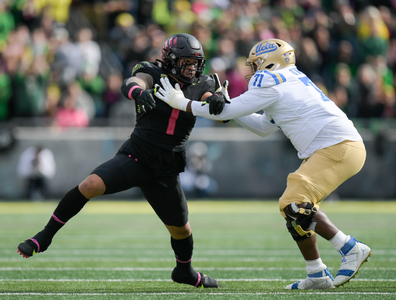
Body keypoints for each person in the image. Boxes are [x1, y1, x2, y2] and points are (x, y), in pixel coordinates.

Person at [155, 38, 372, 290]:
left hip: (337, 146)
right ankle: (316, 274)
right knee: (295, 211)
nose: (254, 70)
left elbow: (225, 113)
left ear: (270, 61)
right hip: (341, 146)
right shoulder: (288, 78)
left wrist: (180, 102)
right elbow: (263, 127)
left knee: (292, 203)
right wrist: (229, 105)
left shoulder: (270, 80)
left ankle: (350, 247)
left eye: (256, 63)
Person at [17, 33, 226, 289]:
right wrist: (139, 93)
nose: (192, 68)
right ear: (171, 60)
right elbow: (133, 81)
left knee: (181, 230)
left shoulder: (201, 83)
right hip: (137, 155)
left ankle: (184, 272)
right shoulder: (153, 71)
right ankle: (45, 236)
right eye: (186, 62)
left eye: (195, 62)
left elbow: (209, 99)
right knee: (90, 184)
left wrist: (216, 101)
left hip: (166, 167)